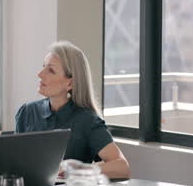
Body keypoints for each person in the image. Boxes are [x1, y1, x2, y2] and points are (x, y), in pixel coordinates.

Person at [15, 41, 130, 179]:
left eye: (51, 70)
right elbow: (15, 165)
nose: (40, 74)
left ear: (70, 83)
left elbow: (122, 167)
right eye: (43, 67)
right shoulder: (27, 112)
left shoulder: (87, 120)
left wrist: (77, 169)